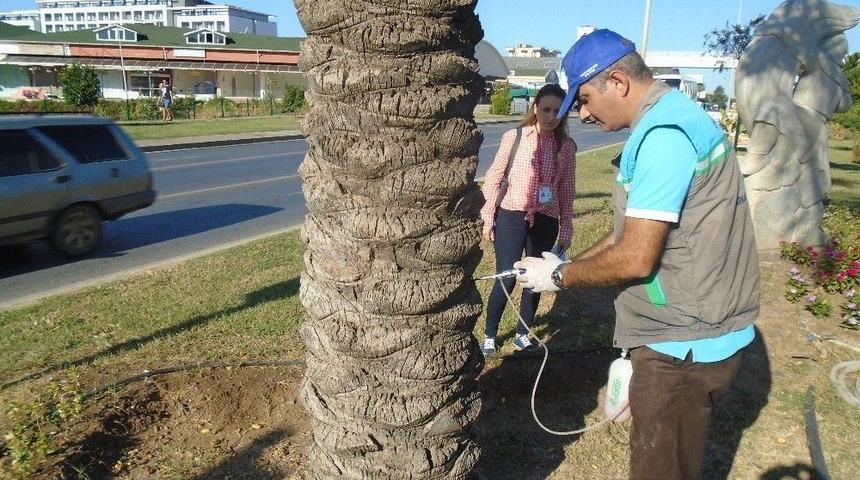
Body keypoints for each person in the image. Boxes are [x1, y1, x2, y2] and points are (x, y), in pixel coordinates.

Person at [513, 29, 760, 480]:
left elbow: (635, 258)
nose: (583, 114)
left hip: (686, 342)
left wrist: (561, 280)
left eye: (585, 99)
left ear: (619, 83)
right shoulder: (669, 119)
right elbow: (630, 233)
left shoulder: (664, 137)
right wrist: (560, 265)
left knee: (662, 469)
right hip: (689, 330)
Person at [479, 83, 576, 357]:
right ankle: (489, 335)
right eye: (545, 109)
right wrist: (488, 217)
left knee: (535, 278)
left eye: (557, 111)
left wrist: (566, 227)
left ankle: (523, 335)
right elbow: (494, 177)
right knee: (507, 278)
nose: (550, 116)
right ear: (535, 108)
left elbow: (567, 191)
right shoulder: (515, 137)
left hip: (546, 221)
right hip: (512, 216)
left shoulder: (566, 147)